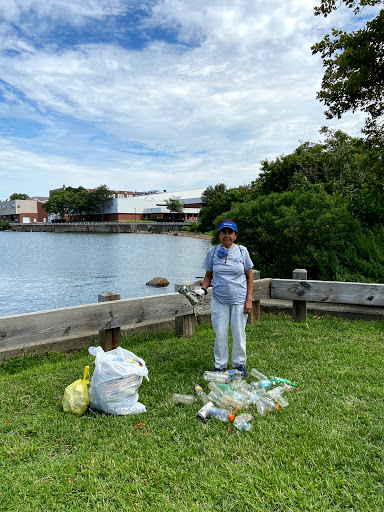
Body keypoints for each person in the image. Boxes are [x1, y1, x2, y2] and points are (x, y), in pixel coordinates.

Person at [195, 220, 254, 376]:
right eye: (224, 232)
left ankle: (239, 364)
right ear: (219, 235)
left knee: (238, 333)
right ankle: (220, 365)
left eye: (230, 232)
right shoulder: (213, 252)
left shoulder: (242, 251)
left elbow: (249, 277)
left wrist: (249, 300)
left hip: (239, 300)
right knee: (220, 333)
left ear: (235, 235)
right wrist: (202, 289)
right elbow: (208, 276)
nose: (227, 235)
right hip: (219, 300)